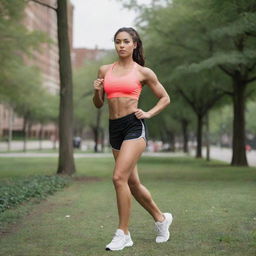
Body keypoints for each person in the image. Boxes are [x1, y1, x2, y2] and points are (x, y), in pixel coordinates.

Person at [92, 27, 173, 251]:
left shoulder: (143, 72)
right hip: (114, 128)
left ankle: (123, 233)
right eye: (118, 41)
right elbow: (98, 104)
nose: (121, 45)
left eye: (126, 41)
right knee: (132, 183)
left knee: (118, 178)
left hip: (133, 127)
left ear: (134, 44)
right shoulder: (105, 70)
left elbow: (165, 98)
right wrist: (97, 90)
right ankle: (161, 219)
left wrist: (148, 113)